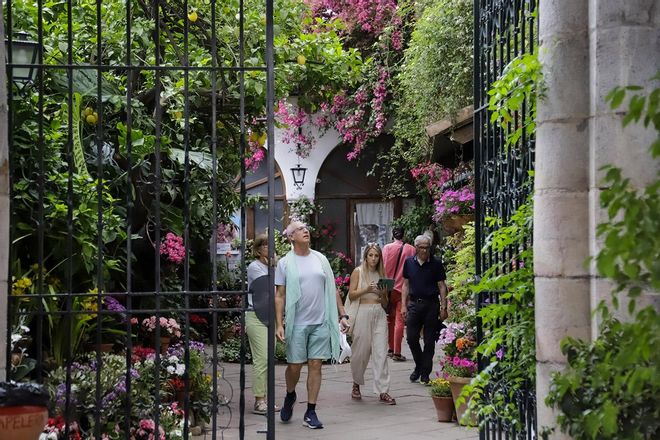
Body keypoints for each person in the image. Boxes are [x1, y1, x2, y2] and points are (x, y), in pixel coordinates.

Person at [274, 220, 350, 429]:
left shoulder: (320, 259)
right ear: (291, 237)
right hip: (297, 323)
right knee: (294, 366)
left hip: (320, 322)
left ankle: (311, 411)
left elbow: (332, 289)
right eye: (299, 229)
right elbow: (279, 295)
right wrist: (279, 323)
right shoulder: (285, 263)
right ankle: (290, 395)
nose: (305, 230)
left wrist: (342, 315)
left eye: (305, 228)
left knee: (316, 365)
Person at [347, 243, 397, 405]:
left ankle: (383, 390)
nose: (373, 259)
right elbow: (352, 295)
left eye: (376, 256)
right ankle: (356, 383)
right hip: (362, 312)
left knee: (381, 352)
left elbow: (385, 302)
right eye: (371, 255)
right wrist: (367, 289)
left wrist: (383, 294)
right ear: (366, 256)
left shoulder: (382, 274)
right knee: (360, 352)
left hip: (379, 313)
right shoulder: (358, 271)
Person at [401, 235, 449, 384]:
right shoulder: (409, 263)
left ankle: (424, 373)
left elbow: (442, 286)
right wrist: (403, 305)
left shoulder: (436, 263)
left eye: (427, 247)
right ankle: (420, 365)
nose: (424, 250)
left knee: (429, 341)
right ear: (416, 248)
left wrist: (444, 307)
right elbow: (405, 285)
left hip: (431, 305)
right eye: (421, 247)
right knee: (411, 338)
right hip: (414, 304)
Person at [246, 234, 281, 415]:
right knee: (261, 359)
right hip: (256, 315)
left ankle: (266, 399)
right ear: (258, 249)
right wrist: (276, 267)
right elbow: (271, 287)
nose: (269, 248)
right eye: (265, 245)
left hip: (271, 316)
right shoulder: (254, 267)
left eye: (271, 245)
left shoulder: (274, 266)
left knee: (269, 359)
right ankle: (259, 400)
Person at [382, 226, 416, 362]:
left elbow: (382, 267)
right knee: (400, 320)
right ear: (403, 234)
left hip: (388, 287)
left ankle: (390, 349)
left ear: (393, 235)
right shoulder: (411, 249)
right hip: (403, 288)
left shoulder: (387, 248)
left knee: (389, 319)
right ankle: (397, 352)